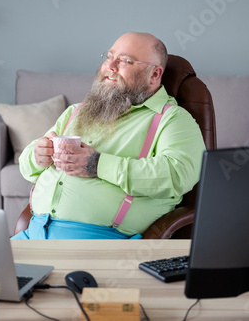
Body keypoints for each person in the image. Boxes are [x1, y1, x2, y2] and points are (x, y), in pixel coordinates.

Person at [13, 32, 206, 239]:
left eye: (124, 61)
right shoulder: (76, 112)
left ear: (154, 75)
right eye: (109, 57)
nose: (110, 67)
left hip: (99, 241)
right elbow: (26, 167)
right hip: (33, 232)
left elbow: (178, 175)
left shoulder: (173, 119)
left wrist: (99, 165)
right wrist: (37, 156)